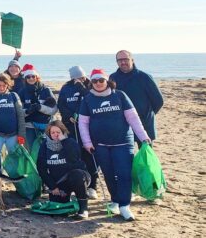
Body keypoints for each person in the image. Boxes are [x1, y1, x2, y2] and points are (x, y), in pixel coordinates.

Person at [79, 69, 151, 221]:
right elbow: (83, 123)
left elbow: (133, 118)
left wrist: (143, 136)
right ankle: (115, 201)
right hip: (100, 145)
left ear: (107, 81)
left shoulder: (119, 95)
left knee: (124, 174)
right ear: (91, 83)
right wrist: (87, 142)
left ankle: (124, 205)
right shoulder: (87, 100)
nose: (98, 83)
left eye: (101, 80)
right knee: (109, 174)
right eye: (95, 81)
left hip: (123, 142)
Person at [57, 66, 99, 199]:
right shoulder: (66, 88)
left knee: (90, 155)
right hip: (71, 126)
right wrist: (68, 115)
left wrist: (81, 87)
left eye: (82, 77)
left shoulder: (90, 86)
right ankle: (78, 185)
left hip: (88, 127)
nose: (80, 79)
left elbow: (91, 100)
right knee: (74, 155)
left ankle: (93, 186)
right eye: (77, 78)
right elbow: (61, 105)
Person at [36, 120, 91, 219]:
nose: (56, 134)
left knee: (77, 176)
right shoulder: (45, 145)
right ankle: (68, 202)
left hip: (77, 176)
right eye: (53, 132)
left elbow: (74, 159)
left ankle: (83, 208)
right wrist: (52, 186)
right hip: (59, 181)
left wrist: (64, 142)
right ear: (49, 134)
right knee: (60, 211)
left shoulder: (70, 142)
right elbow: (41, 168)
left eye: (58, 132)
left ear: (63, 132)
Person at [110, 50, 164, 144]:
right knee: (125, 151)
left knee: (145, 151)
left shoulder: (144, 77)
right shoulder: (113, 78)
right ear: (117, 62)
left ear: (132, 60)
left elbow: (158, 100)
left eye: (126, 59)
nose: (123, 62)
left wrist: (147, 115)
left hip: (144, 123)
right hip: (122, 123)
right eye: (120, 60)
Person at [18, 65, 57, 146]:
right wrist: (27, 111)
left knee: (48, 148)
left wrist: (40, 107)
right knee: (31, 149)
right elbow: (18, 111)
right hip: (29, 125)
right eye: (28, 77)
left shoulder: (46, 90)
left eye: (33, 76)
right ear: (25, 78)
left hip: (46, 125)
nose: (31, 78)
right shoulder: (22, 92)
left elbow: (54, 110)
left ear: (37, 77)